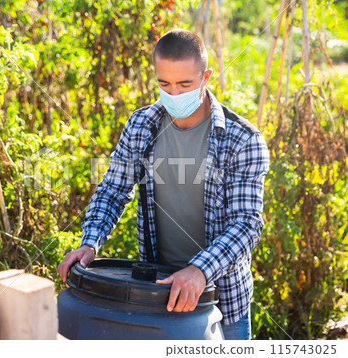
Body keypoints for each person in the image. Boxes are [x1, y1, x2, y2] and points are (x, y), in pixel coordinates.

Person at [58, 29, 270, 340]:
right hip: (155, 294)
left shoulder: (243, 140)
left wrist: (199, 271)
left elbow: (247, 223)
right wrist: (90, 242)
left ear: (206, 76)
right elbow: (113, 190)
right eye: (164, 84)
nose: (173, 94)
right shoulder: (141, 125)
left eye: (185, 84)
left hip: (222, 300)